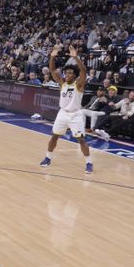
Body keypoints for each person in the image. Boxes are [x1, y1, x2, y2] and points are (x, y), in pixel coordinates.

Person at [40, 45, 94, 174]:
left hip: (75, 115)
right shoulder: (62, 83)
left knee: (81, 139)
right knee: (54, 137)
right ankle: (48, 157)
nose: (68, 74)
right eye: (67, 72)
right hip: (63, 113)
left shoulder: (79, 84)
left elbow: (83, 71)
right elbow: (52, 71)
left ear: (74, 75)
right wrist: (52, 57)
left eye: (70, 73)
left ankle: (89, 163)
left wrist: (75, 58)